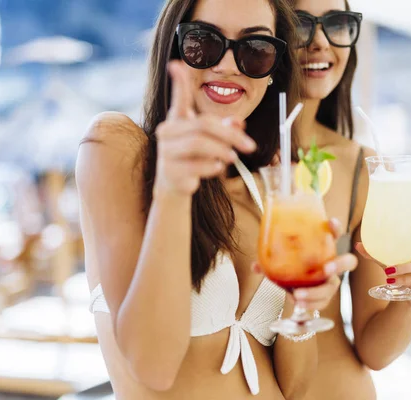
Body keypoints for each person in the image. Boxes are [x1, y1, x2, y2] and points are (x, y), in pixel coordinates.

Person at [76, 0, 358, 398]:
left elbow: (296, 386)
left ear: (272, 71)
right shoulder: (118, 147)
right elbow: (152, 368)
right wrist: (172, 193)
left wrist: (303, 306)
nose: (227, 64)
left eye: (255, 49)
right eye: (204, 42)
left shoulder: (268, 188)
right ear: (173, 48)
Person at [278, 1, 411, 399]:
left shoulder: (363, 167)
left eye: (337, 24)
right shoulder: (221, 159)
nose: (320, 42)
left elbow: (375, 350)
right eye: (300, 25)